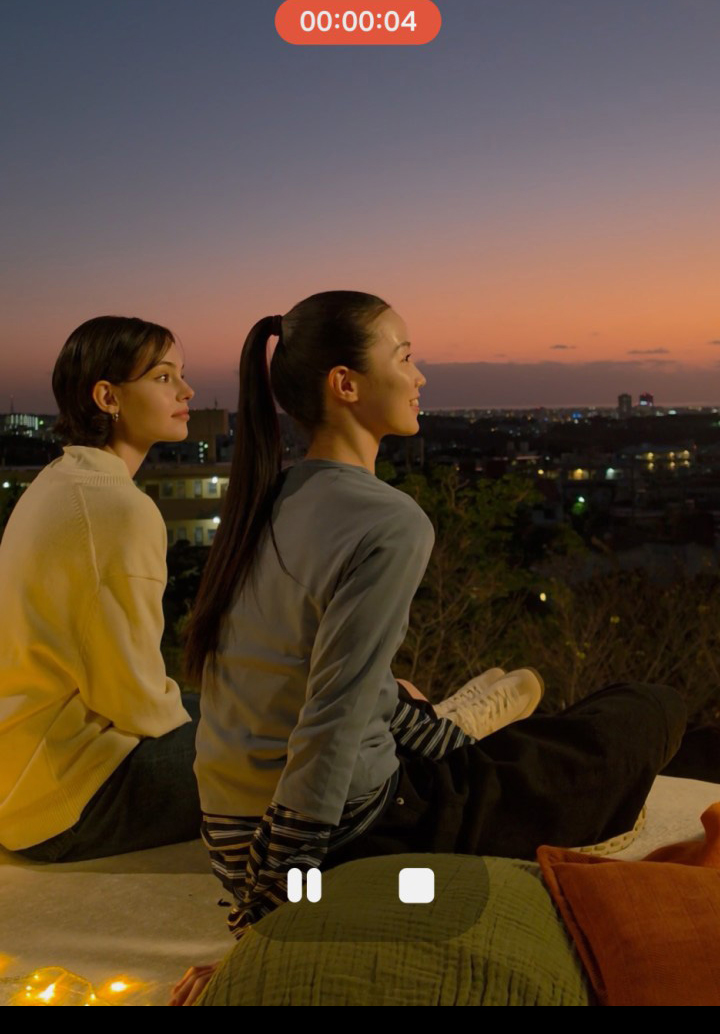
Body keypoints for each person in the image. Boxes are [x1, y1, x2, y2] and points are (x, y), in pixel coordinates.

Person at [174, 291, 686, 1005]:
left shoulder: (278, 494)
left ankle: (455, 726)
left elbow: (318, 676)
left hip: (232, 829)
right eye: (405, 357)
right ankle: (470, 725)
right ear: (344, 384)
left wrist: (427, 736)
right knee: (646, 710)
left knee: (468, 726)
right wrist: (279, 889)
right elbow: (333, 713)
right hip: (355, 827)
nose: (421, 377)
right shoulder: (388, 522)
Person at [0, 315, 201, 862]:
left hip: (24, 767)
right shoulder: (118, 510)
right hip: (72, 796)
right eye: (163, 378)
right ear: (108, 396)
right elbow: (136, 702)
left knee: (242, 714)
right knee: (295, 747)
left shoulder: (61, 481)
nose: (186, 391)